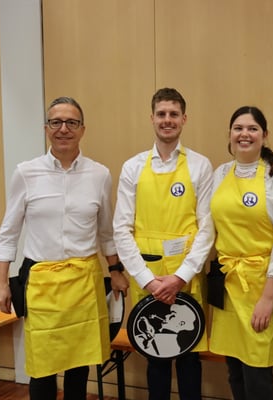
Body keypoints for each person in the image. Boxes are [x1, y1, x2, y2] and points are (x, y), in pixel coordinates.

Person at [0, 97, 130, 400]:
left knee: (80, 364)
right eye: (56, 122)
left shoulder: (100, 175)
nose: (63, 129)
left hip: (84, 282)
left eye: (71, 122)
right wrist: (0, 282)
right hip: (42, 283)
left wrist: (116, 270)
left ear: (82, 129)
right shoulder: (26, 173)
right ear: (46, 128)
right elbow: (8, 232)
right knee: (42, 366)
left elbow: (106, 232)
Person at [113, 87, 213, 400]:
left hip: (186, 278)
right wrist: (148, 280)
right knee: (155, 355)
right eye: (161, 114)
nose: (167, 120)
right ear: (152, 118)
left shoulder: (200, 165)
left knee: (189, 356)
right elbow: (121, 229)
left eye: (173, 114)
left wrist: (181, 276)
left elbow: (207, 228)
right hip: (149, 277)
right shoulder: (132, 167)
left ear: (184, 119)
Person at [209, 106, 273, 400]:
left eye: (252, 128)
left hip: (262, 286)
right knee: (234, 368)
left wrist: (268, 298)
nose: (244, 134)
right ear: (229, 134)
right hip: (228, 283)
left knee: (257, 371)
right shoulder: (220, 173)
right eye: (238, 128)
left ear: (264, 135)